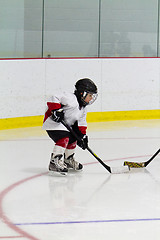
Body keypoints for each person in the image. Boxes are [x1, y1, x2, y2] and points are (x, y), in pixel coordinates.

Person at [43, 78, 98, 175]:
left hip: (65, 126)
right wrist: (56, 110)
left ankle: (68, 160)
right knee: (64, 138)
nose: (91, 98)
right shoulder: (70, 98)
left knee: (73, 139)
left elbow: (81, 122)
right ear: (82, 93)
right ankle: (54, 162)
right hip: (53, 124)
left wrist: (82, 136)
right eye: (89, 95)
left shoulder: (83, 108)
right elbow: (54, 97)